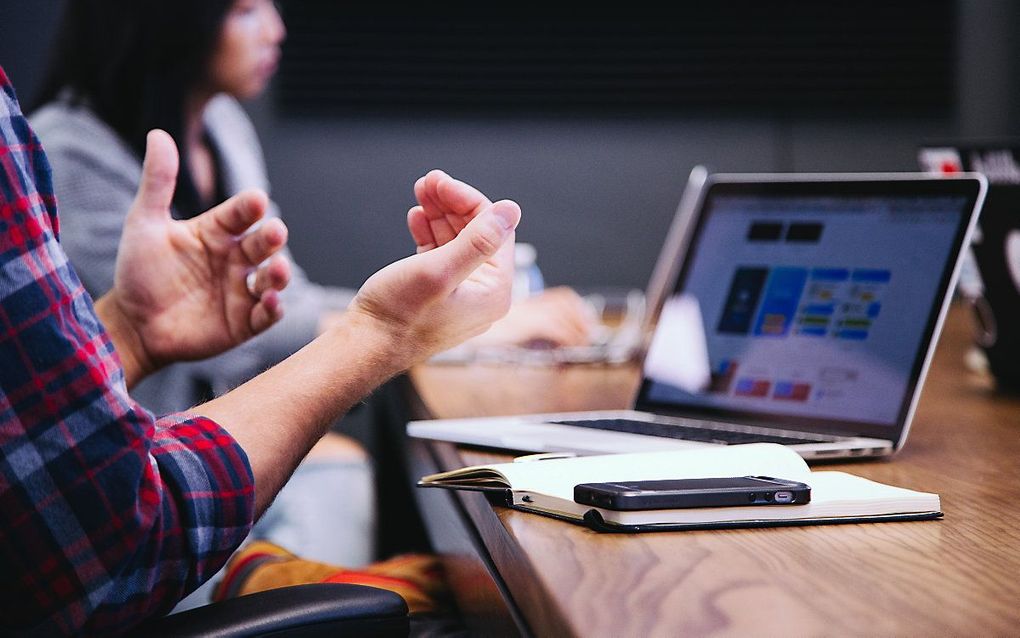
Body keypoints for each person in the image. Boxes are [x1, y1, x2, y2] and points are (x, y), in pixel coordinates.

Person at [0, 61, 521, 635]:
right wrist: (383, 333)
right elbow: (113, 534)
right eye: (244, 7)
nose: (275, 24)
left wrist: (127, 331)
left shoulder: (224, 124)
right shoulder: (62, 144)